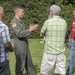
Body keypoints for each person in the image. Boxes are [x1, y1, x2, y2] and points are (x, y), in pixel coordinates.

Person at [10, 6, 38, 75]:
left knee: (29, 63)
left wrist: (31, 30)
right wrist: (29, 30)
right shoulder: (14, 22)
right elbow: (19, 34)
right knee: (20, 65)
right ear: (17, 12)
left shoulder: (20, 22)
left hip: (25, 44)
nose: (23, 13)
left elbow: (24, 32)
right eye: (22, 12)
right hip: (19, 45)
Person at [40, 5, 67, 75]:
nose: (49, 13)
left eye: (50, 11)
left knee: (44, 72)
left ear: (52, 12)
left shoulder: (48, 22)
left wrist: (46, 34)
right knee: (62, 72)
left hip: (49, 52)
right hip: (61, 52)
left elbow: (41, 33)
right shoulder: (64, 22)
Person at [0, 6, 13, 75]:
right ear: (2, 14)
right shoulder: (3, 27)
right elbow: (7, 45)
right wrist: (12, 49)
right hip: (2, 61)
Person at [66, 9, 75, 75]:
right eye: (73, 12)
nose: (73, 13)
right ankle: (68, 73)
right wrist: (71, 38)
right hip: (73, 41)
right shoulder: (73, 21)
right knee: (71, 57)